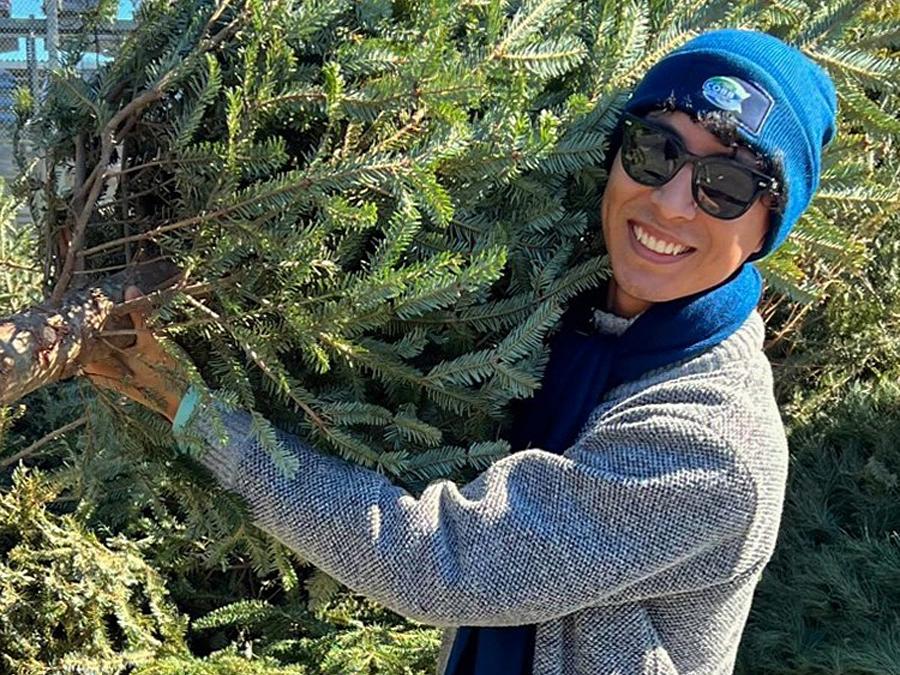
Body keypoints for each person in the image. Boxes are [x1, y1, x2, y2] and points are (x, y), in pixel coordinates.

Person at [81, 29, 837, 675]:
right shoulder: (559, 319)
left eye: (726, 185)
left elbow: (444, 561)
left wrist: (200, 417)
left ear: (768, 225)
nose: (672, 201)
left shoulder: (711, 445)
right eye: (654, 151)